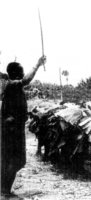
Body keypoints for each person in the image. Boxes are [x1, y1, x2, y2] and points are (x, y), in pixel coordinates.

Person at [1, 56, 47, 195]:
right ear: (15, 74)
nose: (23, 74)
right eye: (21, 71)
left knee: (15, 160)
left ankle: (5, 189)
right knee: (14, 160)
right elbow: (27, 80)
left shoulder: (13, 87)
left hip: (15, 128)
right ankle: (4, 189)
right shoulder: (13, 84)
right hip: (12, 129)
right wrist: (37, 64)